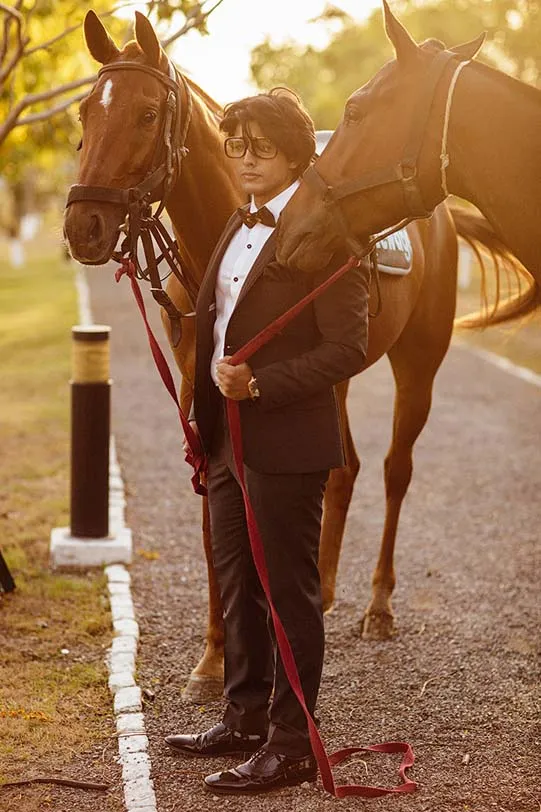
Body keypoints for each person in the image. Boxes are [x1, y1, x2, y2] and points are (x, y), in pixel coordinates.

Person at [165, 87, 371, 794]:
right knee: (236, 584)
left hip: (285, 439)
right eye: (235, 144)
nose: (245, 159)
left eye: (260, 147)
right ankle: (244, 715)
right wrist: (206, 415)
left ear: (293, 155)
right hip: (226, 438)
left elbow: (350, 345)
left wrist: (262, 385)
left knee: (288, 590)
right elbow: (214, 320)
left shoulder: (327, 235)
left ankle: (287, 743)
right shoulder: (232, 221)